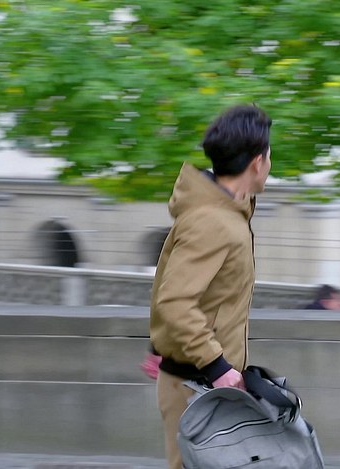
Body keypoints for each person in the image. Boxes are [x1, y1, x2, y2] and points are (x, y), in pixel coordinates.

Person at [149, 104, 272, 469]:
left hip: (206, 385)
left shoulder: (228, 214)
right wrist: (217, 365)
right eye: (269, 156)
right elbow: (175, 301)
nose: (270, 164)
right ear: (257, 162)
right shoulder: (212, 221)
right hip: (197, 388)